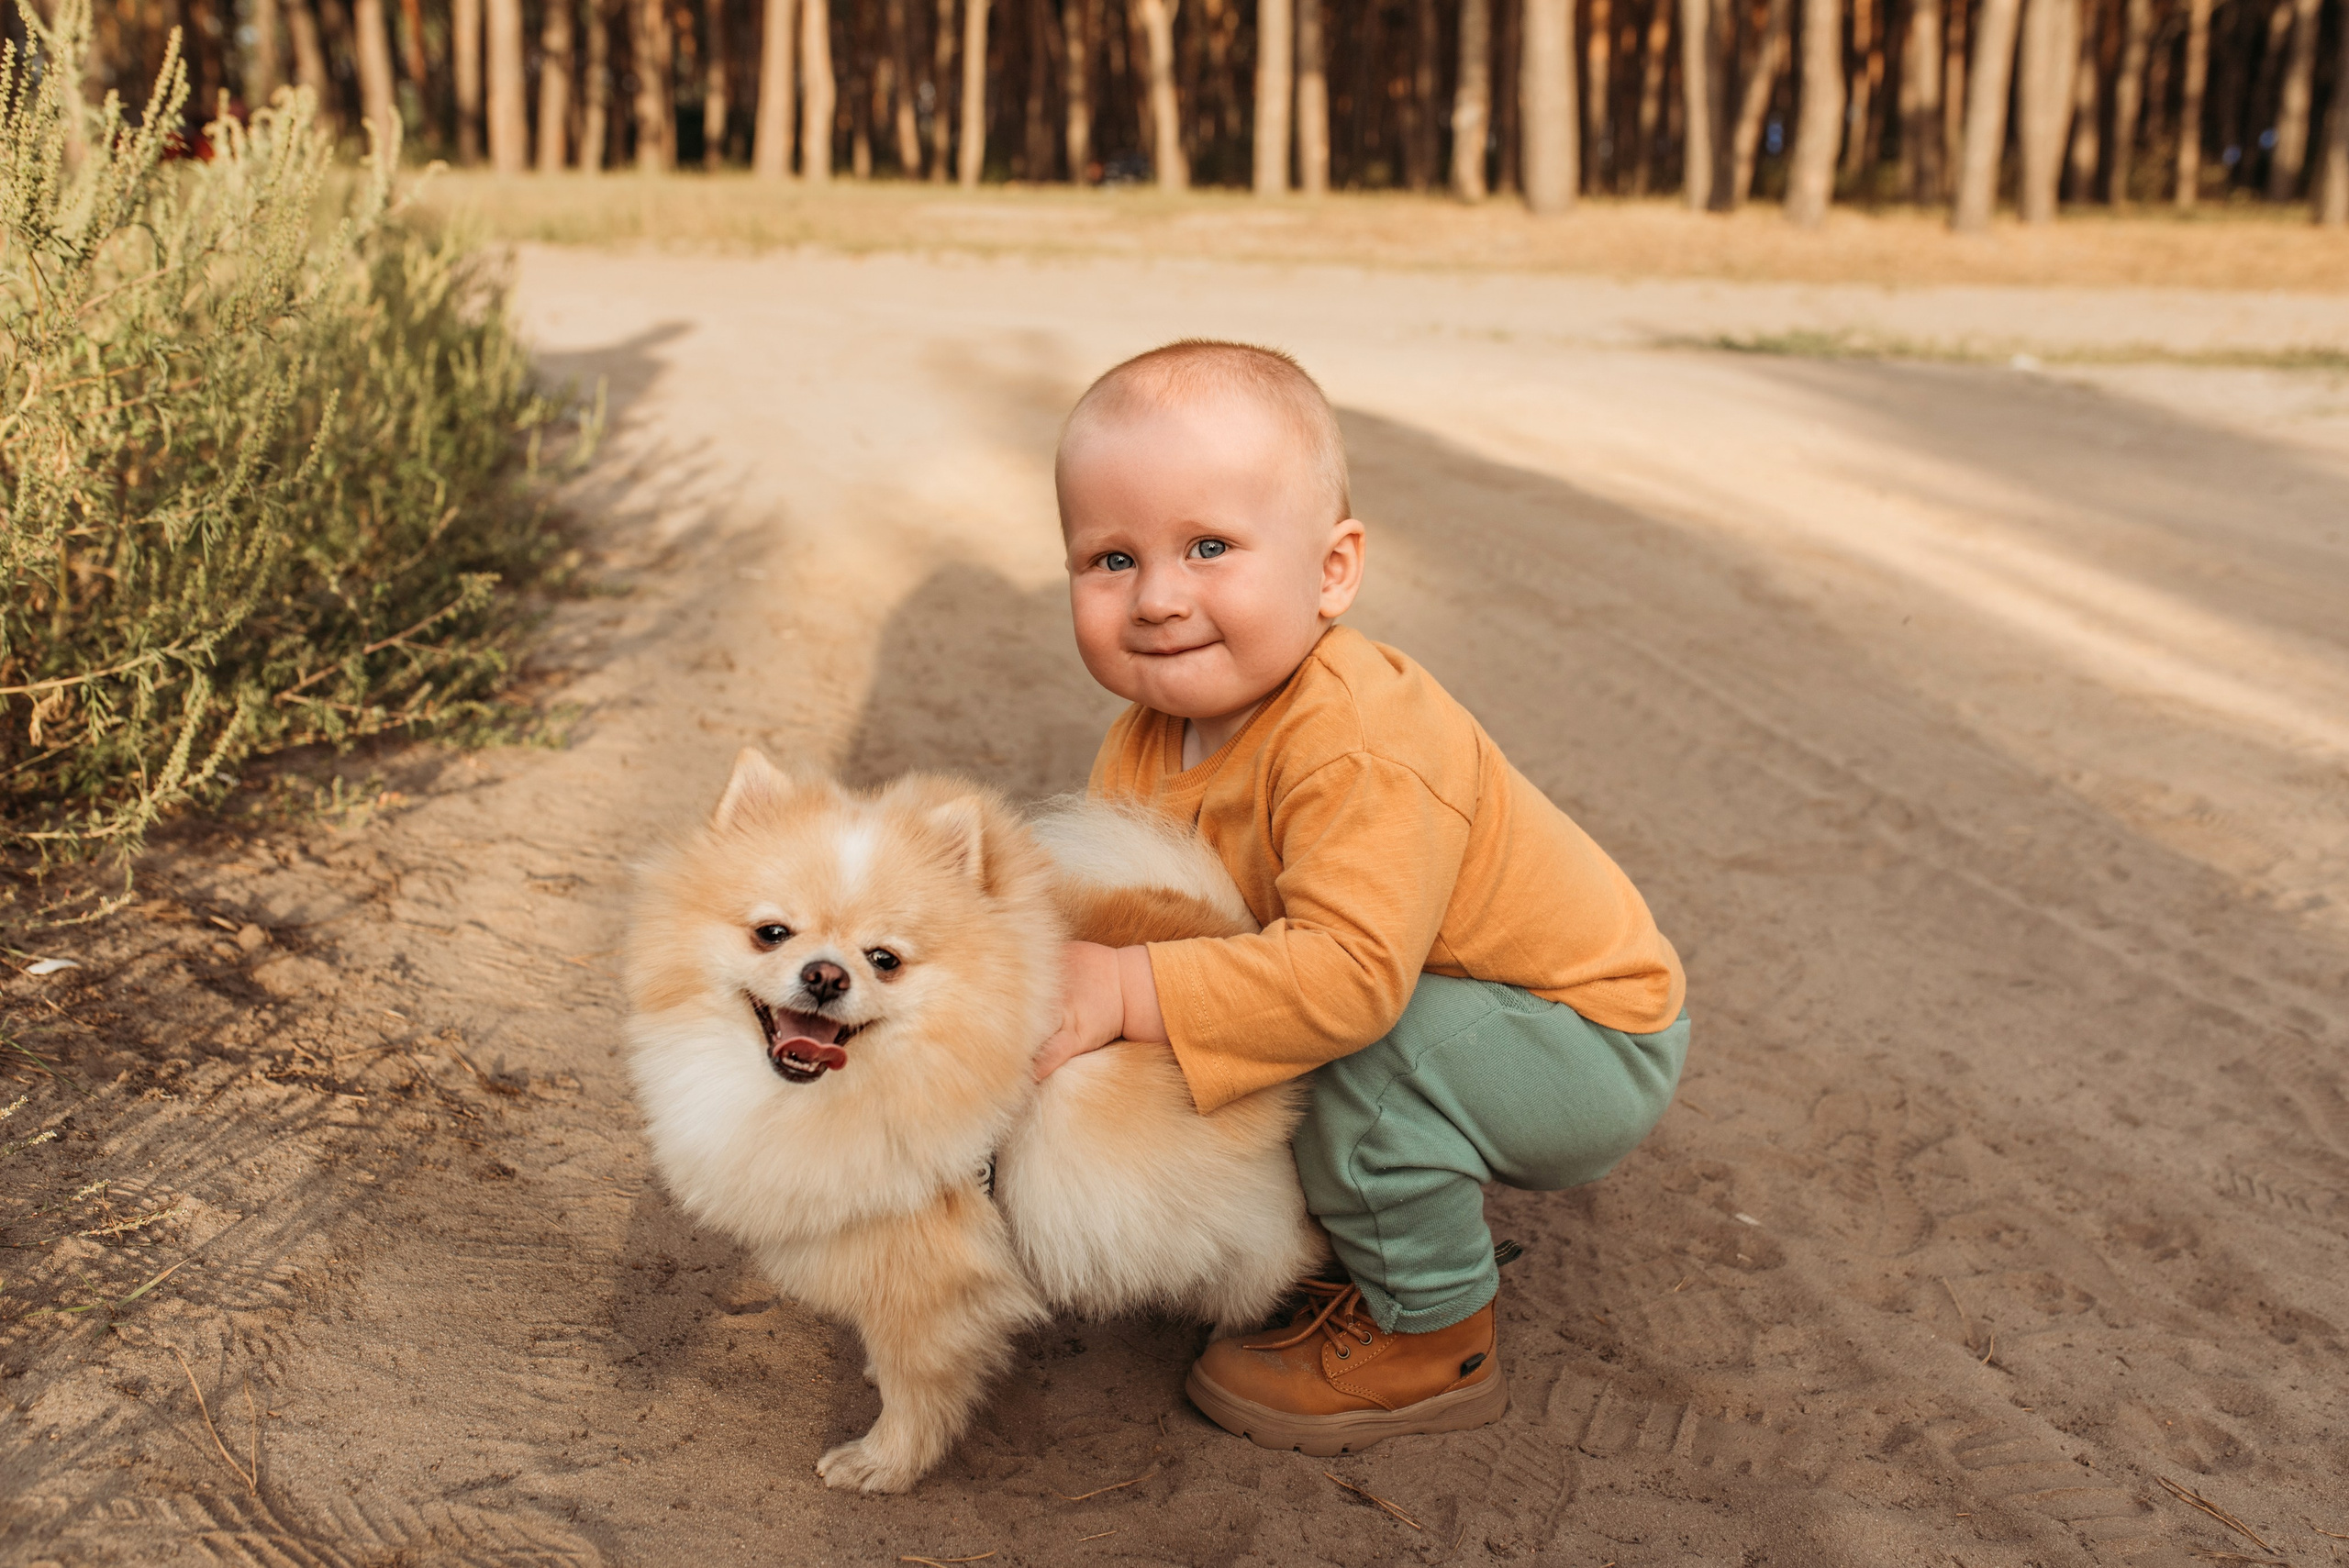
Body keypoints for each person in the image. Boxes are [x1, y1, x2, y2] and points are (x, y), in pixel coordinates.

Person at [1036, 339, 1689, 1454]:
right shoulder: (1142, 739)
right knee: (1218, 1015)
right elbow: (1133, 919)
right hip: (1435, 998)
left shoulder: (1360, 742)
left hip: (1577, 1033)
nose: (1155, 598)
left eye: (1207, 546)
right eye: (1108, 559)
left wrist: (1124, 985)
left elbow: (1347, 981)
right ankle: (1334, 1224)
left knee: (1348, 1055)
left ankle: (1431, 1329)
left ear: (1332, 570)